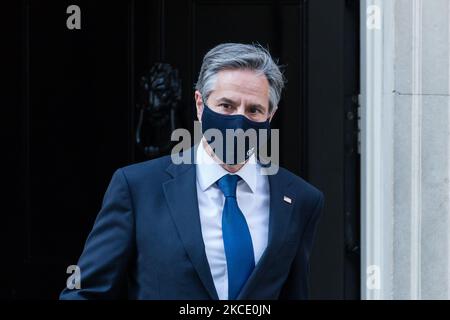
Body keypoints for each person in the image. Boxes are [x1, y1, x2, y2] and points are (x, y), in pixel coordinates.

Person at [60, 43, 324, 300]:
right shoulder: (137, 188)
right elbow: (87, 293)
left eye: (254, 110)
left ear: (270, 116)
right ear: (200, 104)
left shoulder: (301, 199)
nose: (238, 121)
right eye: (226, 106)